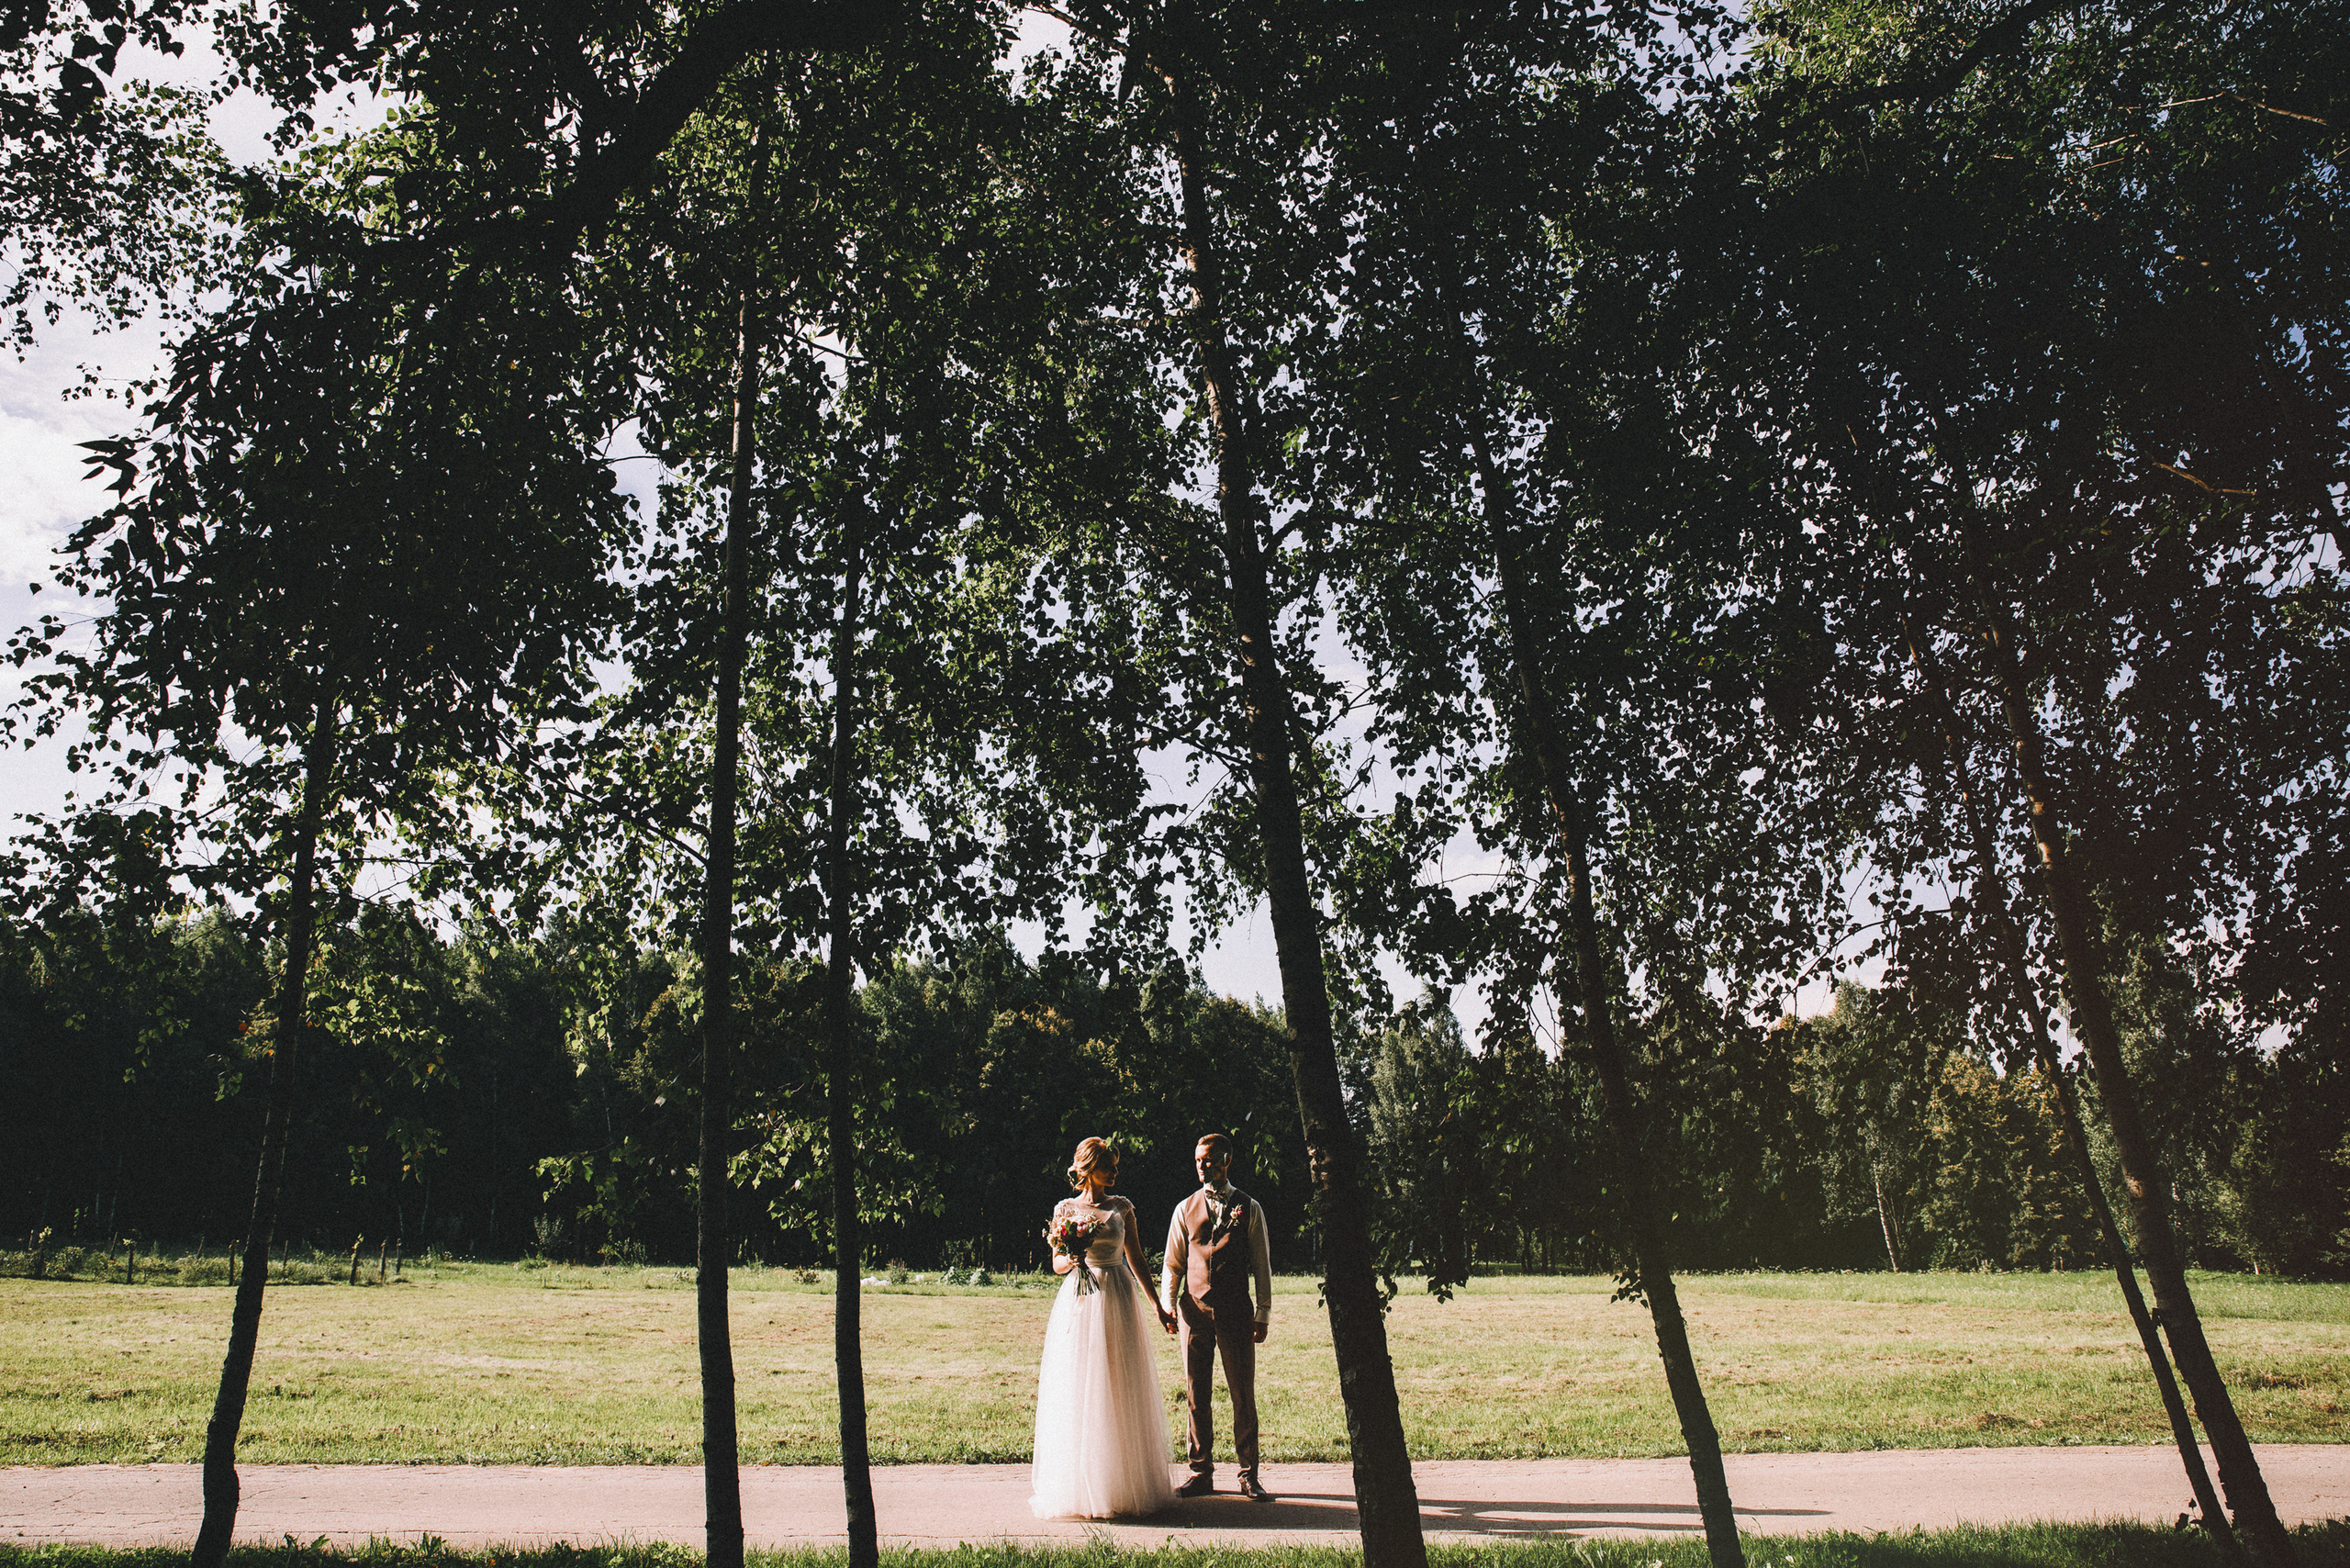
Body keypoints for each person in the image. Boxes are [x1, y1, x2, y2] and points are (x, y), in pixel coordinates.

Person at [1028, 1137, 1179, 1519]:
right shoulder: (1066, 1209)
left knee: (1121, 1383)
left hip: (1119, 1295)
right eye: (1108, 1165)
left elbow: (1138, 1258)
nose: (1114, 1172)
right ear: (1088, 1168)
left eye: (1115, 1165)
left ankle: (1126, 1483)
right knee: (1082, 1386)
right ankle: (1083, 1486)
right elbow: (1057, 1264)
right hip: (1081, 1302)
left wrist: (1158, 1305)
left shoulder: (1122, 1207)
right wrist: (1073, 1258)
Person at [1160, 1131, 1274, 1500]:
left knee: (1242, 1392)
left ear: (1226, 1161)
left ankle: (1248, 1473)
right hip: (1193, 1311)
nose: (1201, 1166)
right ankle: (1200, 1470)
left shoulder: (1249, 1206)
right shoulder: (1184, 1208)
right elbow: (1173, 1263)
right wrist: (1168, 1305)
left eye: (1207, 1159)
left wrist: (1263, 1313)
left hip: (1237, 1312)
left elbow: (1262, 1264)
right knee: (1196, 1392)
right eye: (1197, 1160)